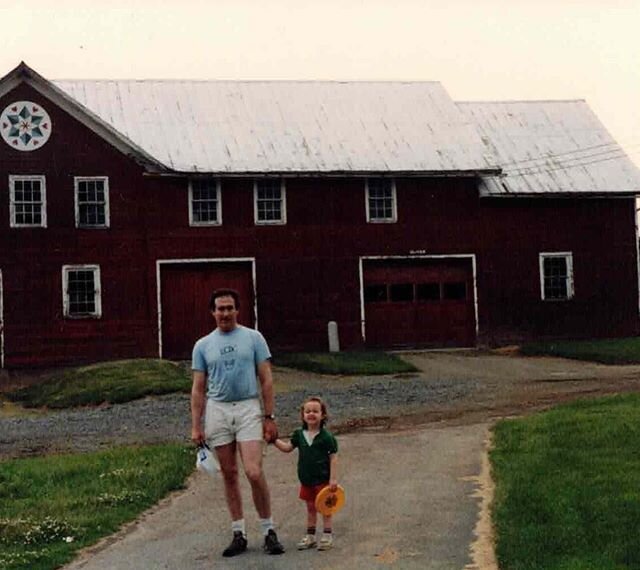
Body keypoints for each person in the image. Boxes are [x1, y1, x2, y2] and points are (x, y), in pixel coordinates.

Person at [190, 288, 285, 557]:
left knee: (253, 471)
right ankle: (238, 532)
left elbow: (266, 378)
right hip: (218, 410)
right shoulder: (203, 345)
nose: (225, 313)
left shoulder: (253, 339)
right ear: (212, 312)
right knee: (229, 473)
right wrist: (196, 425)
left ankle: (268, 530)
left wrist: (269, 416)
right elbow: (198, 388)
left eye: (229, 308)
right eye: (220, 309)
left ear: (238, 310)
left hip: (247, 407)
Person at [272, 396, 339, 551]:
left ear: (323, 415)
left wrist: (333, 478)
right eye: (307, 411)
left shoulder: (327, 437)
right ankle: (310, 536)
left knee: (325, 508)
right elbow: (287, 448)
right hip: (306, 480)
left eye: (315, 411)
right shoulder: (299, 435)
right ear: (303, 415)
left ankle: (327, 535)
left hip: (323, 480)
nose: (311, 414)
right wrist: (273, 440)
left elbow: (333, 457)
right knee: (310, 508)